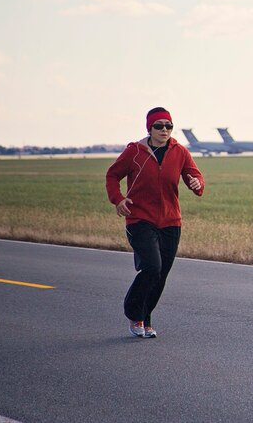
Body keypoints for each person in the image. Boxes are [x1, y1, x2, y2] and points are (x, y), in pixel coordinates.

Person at [105, 107, 205, 338]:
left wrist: (197, 184)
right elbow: (112, 175)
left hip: (171, 221)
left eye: (168, 126)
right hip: (140, 218)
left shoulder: (180, 151)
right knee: (152, 267)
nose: (164, 130)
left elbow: (195, 176)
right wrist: (118, 199)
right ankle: (134, 312)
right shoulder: (135, 152)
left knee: (161, 274)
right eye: (159, 126)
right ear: (149, 128)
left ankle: (145, 318)